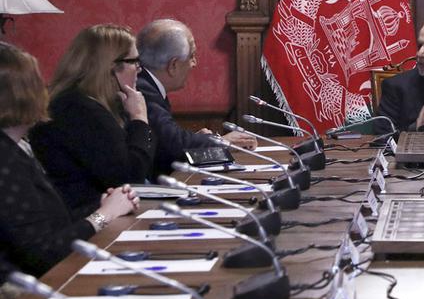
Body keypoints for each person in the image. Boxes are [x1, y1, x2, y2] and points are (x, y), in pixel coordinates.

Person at [0, 43, 138, 278]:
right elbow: (43, 254)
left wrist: (101, 205)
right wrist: (104, 216)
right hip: (23, 298)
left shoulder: (15, 148)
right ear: (23, 94)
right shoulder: (5, 161)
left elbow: (49, 224)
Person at [30, 24, 154, 218]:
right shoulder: (78, 109)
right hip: (81, 223)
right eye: (134, 61)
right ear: (111, 67)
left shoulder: (84, 102)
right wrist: (139, 118)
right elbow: (129, 178)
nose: (139, 69)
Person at [137, 19, 256, 178]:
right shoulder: (143, 89)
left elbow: (168, 139)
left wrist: (199, 140)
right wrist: (219, 142)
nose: (194, 63)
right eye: (192, 56)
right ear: (173, 65)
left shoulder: (147, 83)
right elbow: (172, 145)